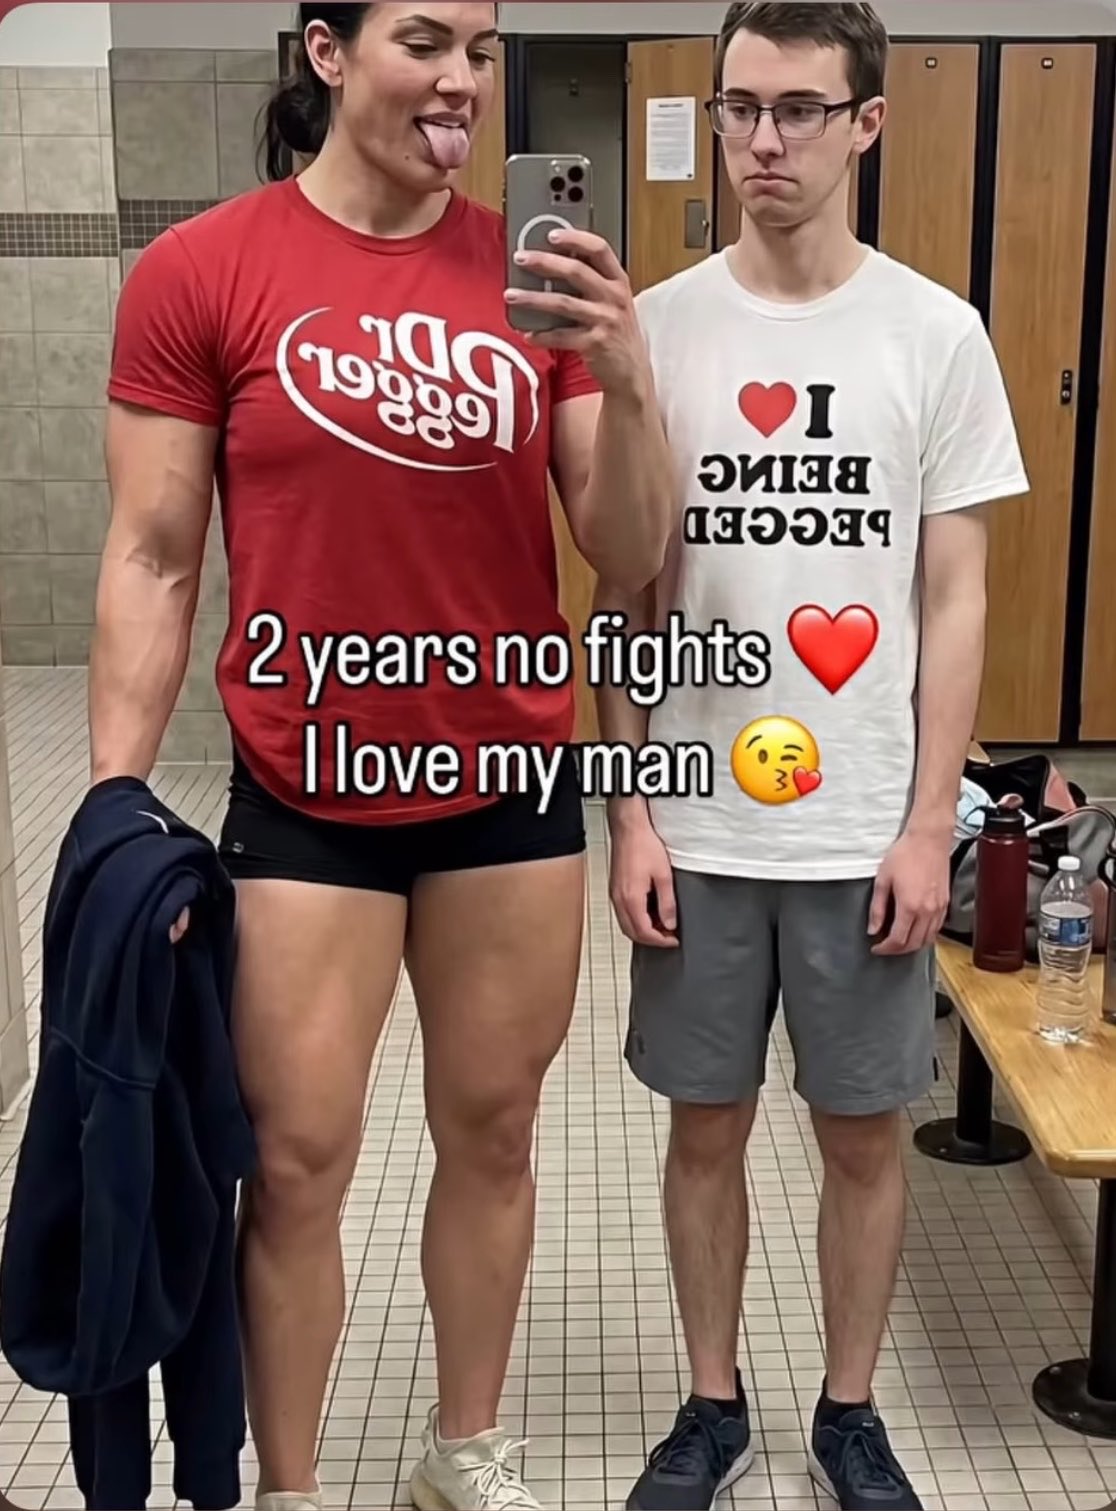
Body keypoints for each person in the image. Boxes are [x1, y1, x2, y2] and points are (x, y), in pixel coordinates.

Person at [90, 5, 676, 1510]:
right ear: (327, 51)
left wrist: (628, 371)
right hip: (309, 790)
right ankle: (291, 1488)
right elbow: (154, 553)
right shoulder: (202, 271)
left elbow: (625, 552)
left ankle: (462, 1454)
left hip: (508, 785)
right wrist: (111, 801)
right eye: (427, 41)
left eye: (482, 47)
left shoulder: (533, 275)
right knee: (294, 1160)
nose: (466, 80)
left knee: (494, 1132)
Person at [597, 5, 1029, 1510]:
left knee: (862, 1137)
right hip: (700, 828)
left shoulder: (936, 334)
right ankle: (711, 1402)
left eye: (798, 109)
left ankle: (850, 1411)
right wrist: (630, 813)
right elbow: (629, 592)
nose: (762, 140)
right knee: (703, 1130)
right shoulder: (656, 328)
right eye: (739, 107)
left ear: (867, 124)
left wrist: (929, 823)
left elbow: (955, 598)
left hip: (861, 828)